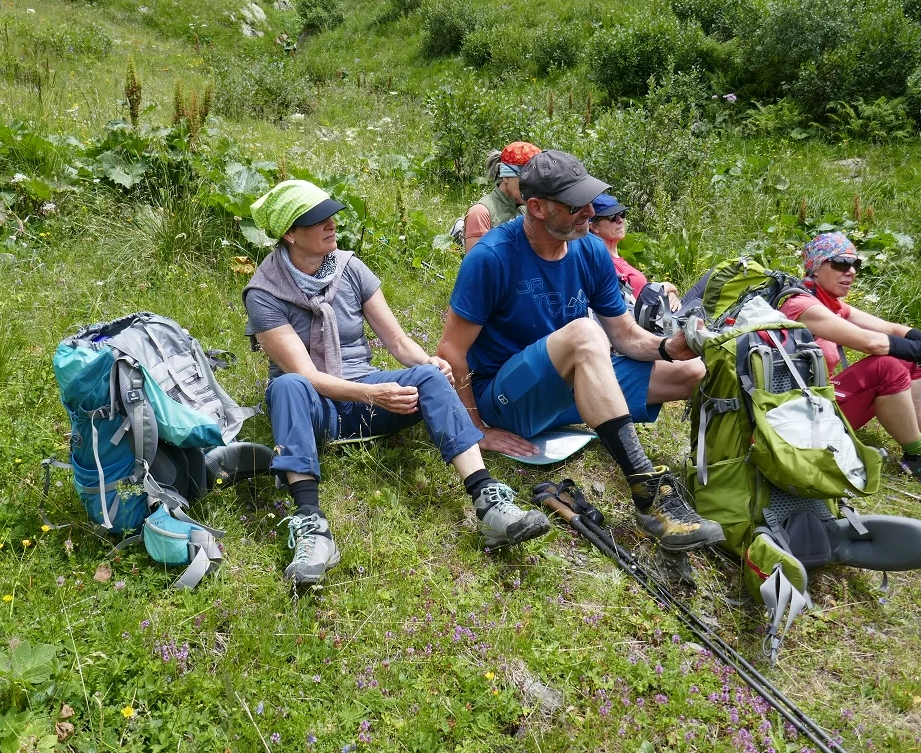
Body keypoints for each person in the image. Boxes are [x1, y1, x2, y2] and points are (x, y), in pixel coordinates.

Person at [244, 180, 550, 588]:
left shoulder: (351, 268)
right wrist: (373, 394)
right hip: (313, 406)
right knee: (286, 386)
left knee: (426, 375)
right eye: (318, 220)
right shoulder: (264, 293)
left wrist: (430, 365)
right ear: (289, 233)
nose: (332, 224)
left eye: (332, 214)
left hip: (368, 396)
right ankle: (311, 526)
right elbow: (309, 375)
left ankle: (487, 500)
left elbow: (399, 342)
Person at [436, 151, 725, 552]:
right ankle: (648, 491)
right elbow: (451, 350)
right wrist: (477, 429)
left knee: (689, 372)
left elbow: (624, 335)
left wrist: (666, 347)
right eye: (575, 205)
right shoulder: (492, 257)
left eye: (590, 199)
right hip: (506, 397)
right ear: (535, 207)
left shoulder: (589, 250)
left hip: (567, 380)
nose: (589, 211)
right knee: (586, 334)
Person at [776, 232, 921, 500]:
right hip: (798, 417)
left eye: (855, 265)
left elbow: (891, 329)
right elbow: (871, 342)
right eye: (840, 263)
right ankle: (919, 458)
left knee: (913, 358)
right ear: (816, 268)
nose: (850, 271)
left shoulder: (833, 305)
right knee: (886, 366)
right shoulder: (802, 307)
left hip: (820, 407)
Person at [588, 192, 681, 317]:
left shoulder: (619, 259)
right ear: (594, 226)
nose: (620, 220)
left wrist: (671, 295)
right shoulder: (601, 262)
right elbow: (632, 303)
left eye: (621, 214)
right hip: (642, 324)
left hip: (660, 315)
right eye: (612, 217)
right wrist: (666, 286)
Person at [461, 141, 542, 254]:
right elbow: (476, 265)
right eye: (524, 180)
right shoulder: (481, 213)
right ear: (506, 177)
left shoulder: (528, 210)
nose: (531, 187)